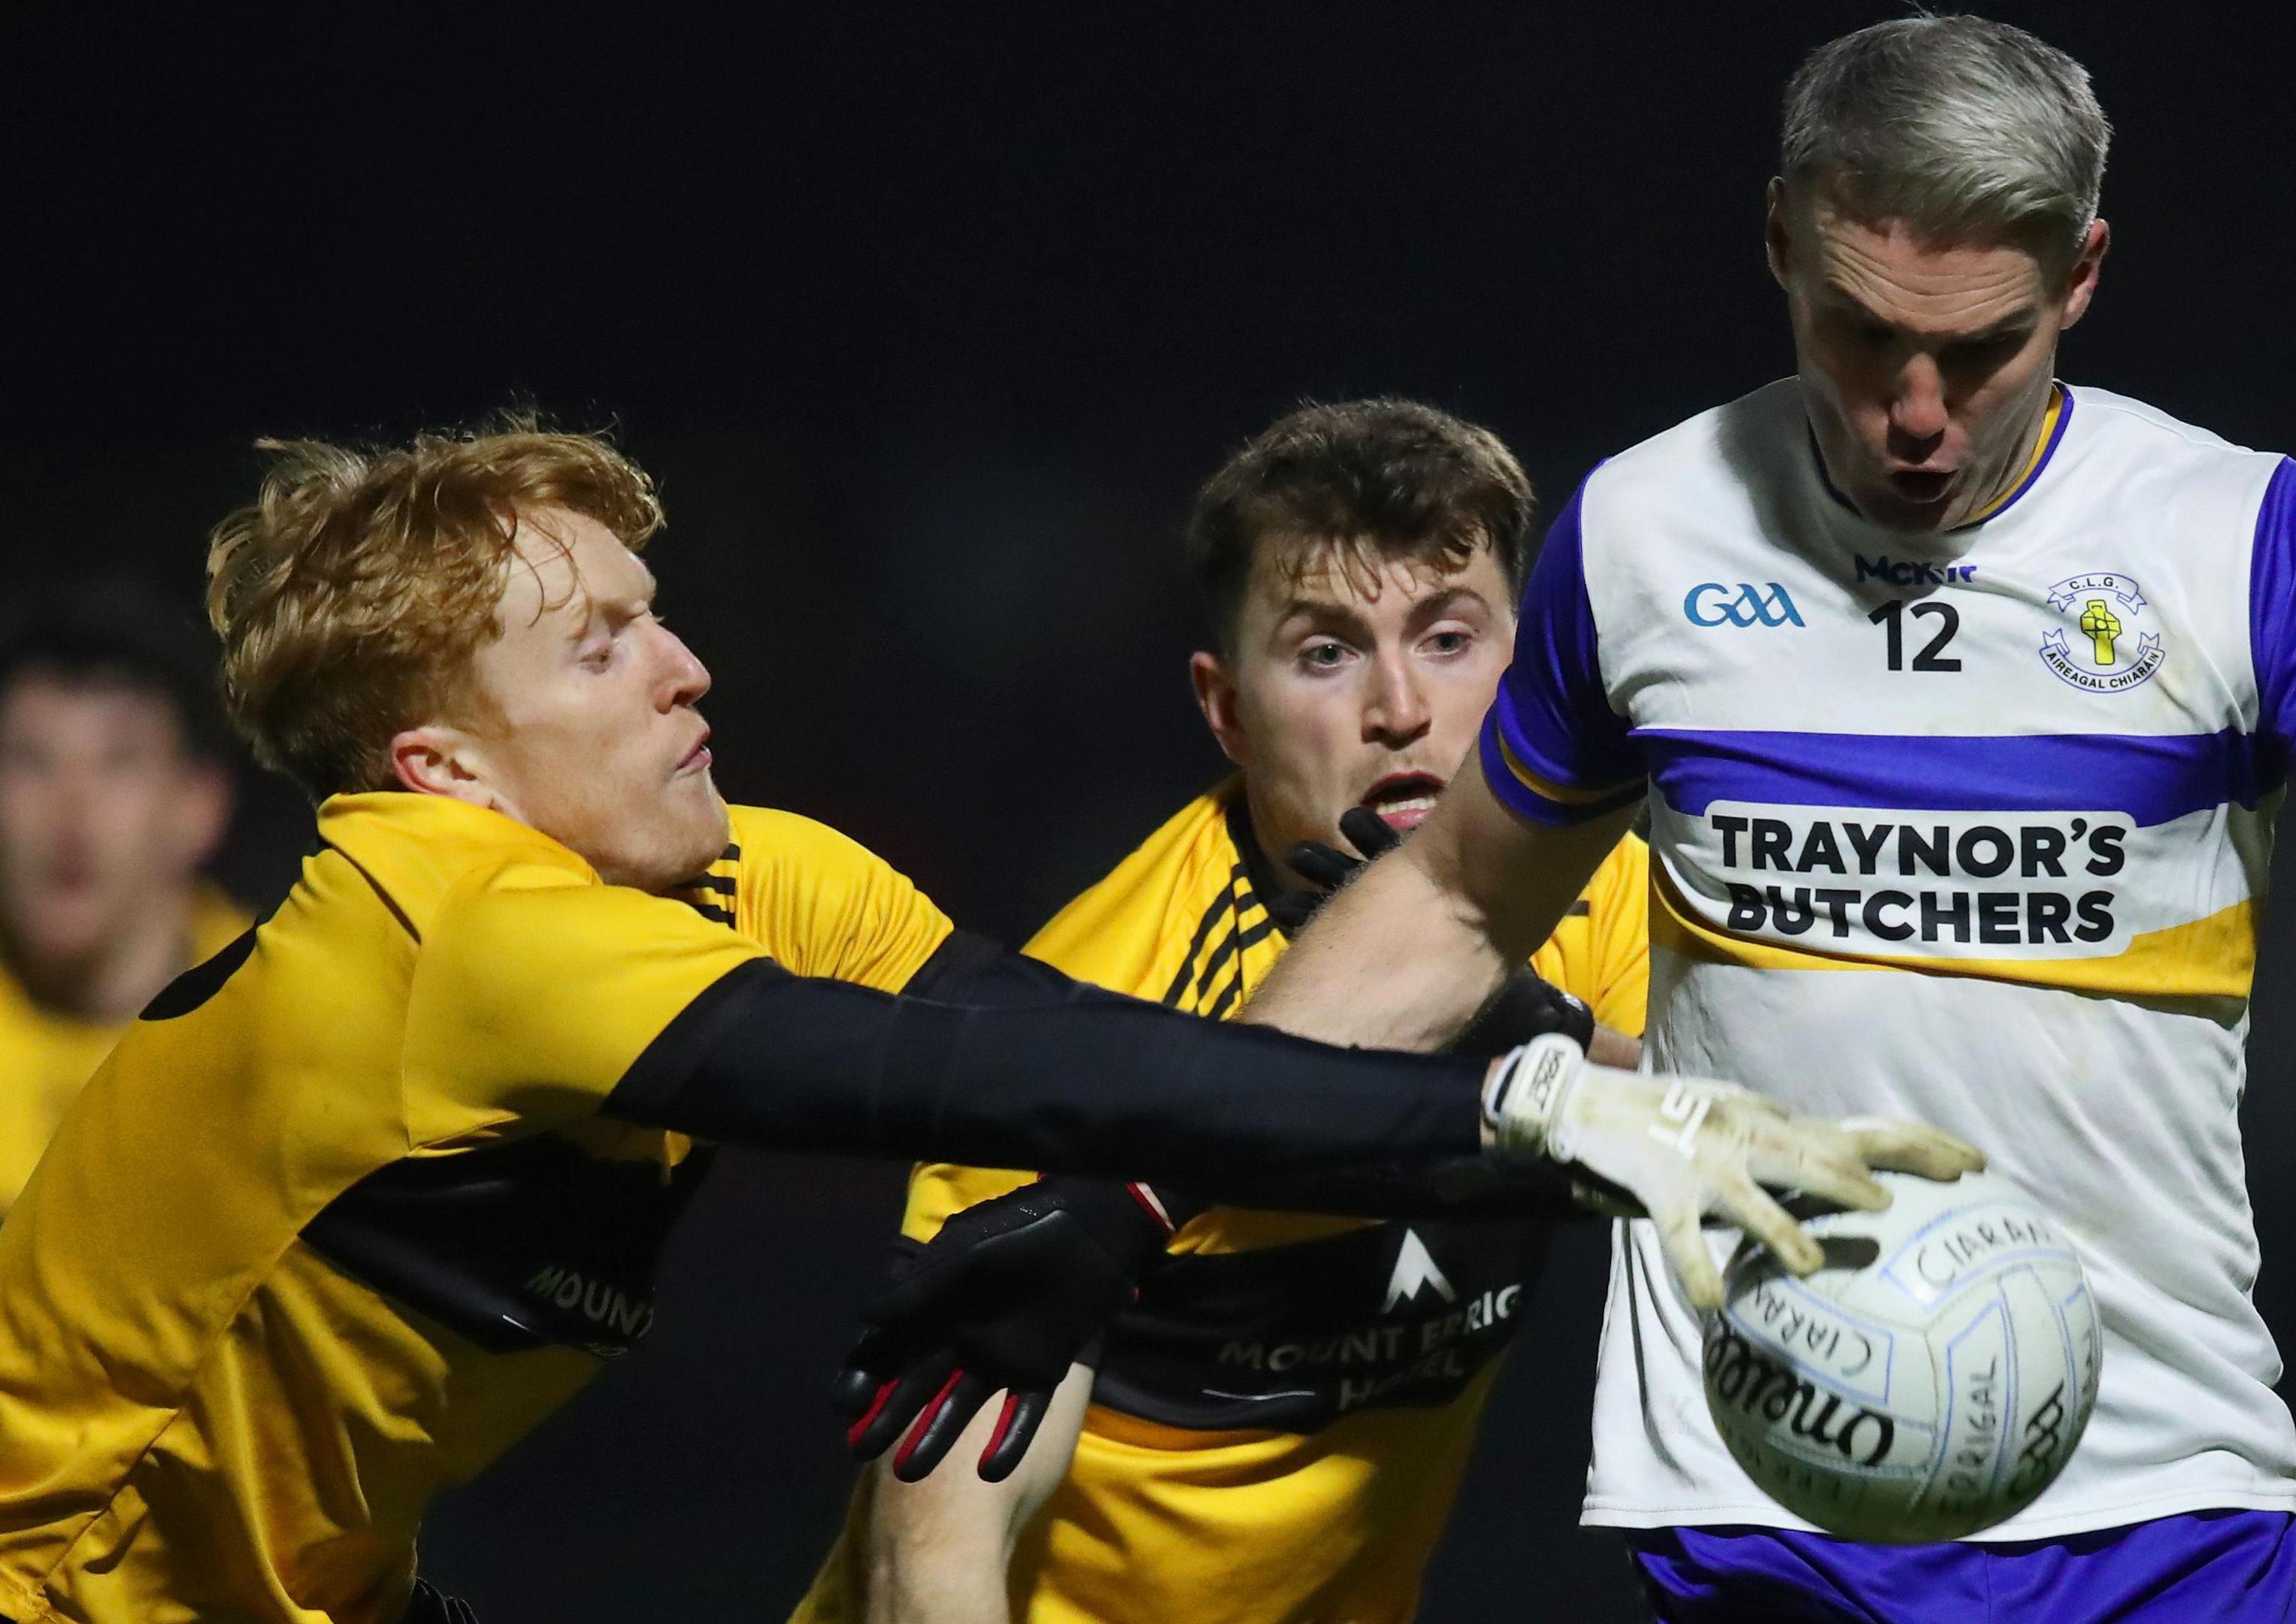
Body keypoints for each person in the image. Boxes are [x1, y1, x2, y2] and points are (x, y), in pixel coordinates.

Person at [1238, 17, 2296, 1622]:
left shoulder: (2241, 540)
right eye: (1861, 335)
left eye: (1979, 350)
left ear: (2084, 274)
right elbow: (1454, 906)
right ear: (1781, 244)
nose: (1918, 413)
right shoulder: (1644, 529)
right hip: (1760, 1487)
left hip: (2151, 1513)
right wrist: (1140, 1166)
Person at [0, 423, 1971, 1624]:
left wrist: (1565, 1098)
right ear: (440, 767)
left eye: (658, 611)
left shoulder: (747, 871)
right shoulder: (453, 936)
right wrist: (1536, 1121)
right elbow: (966, 1078)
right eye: (603, 649)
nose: (690, 670)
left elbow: (1084, 1054)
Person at [795, 400, 1655, 1624]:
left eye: (1450, 638)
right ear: (1227, 709)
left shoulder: (1602, 892)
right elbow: (929, 1557)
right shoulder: (1081, 1013)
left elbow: (1749, 1142)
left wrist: (1531, 1033)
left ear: (1529, 665)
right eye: (1326, 653)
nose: (1398, 707)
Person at [0, 595, 247, 1216]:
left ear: (199, 804)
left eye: (119, 762)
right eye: (31, 760)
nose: (71, 810)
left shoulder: (284, 1024)